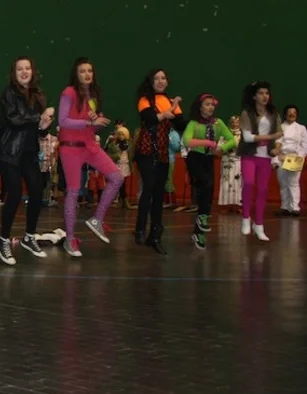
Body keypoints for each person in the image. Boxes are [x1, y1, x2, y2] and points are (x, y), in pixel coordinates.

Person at [56, 58, 124, 257]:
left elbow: (89, 126)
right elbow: (63, 121)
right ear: (76, 74)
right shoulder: (69, 92)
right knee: (73, 191)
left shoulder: (91, 96)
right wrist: (88, 122)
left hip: (89, 146)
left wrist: (97, 123)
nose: (87, 74)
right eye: (82, 71)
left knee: (117, 177)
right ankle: (70, 239)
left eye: (90, 71)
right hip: (70, 148)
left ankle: (97, 219)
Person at [0, 56, 55, 265]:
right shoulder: (8, 94)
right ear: (14, 73)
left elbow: (40, 130)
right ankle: (3, 240)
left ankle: (29, 236)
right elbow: (14, 119)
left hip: (28, 151)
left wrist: (45, 125)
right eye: (20, 69)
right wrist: (39, 118)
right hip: (9, 151)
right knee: (15, 193)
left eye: (27, 68)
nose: (24, 72)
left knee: (37, 191)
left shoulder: (38, 95)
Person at [133, 69, 186, 254]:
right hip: (146, 151)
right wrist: (166, 113)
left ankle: (155, 235)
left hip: (162, 153)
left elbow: (181, 124)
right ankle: (139, 229)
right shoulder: (144, 100)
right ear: (151, 81)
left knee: (158, 193)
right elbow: (149, 119)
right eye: (157, 78)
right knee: (148, 186)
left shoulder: (171, 102)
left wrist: (197, 117)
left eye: (163, 78)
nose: (161, 81)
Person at [182, 94, 236, 249]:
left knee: (208, 193)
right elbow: (187, 140)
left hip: (208, 159)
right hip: (194, 158)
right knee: (206, 183)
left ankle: (199, 231)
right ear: (200, 107)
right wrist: (209, 143)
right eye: (207, 104)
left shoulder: (218, 123)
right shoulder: (194, 123)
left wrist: (221, 148)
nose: (211, 107)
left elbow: (232, 140)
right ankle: (201, 219)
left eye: (212, 104)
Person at [238, 81, 280, 241]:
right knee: (248, 183)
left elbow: (279, 135)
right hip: (249, 154)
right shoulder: (247, 113)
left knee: (262, 190)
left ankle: (259, 224)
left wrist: (277, 148)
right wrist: (270, 137)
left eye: (267, 93)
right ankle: (246, 218)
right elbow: (248, 137)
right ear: (254, 96)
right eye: (261, 93)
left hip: (266, 156)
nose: (265, 96)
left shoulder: (273, 113)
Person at [275, 104, 305, 217]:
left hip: (295, 157)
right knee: (283, 184)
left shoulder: (301, 128)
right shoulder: (280, 127)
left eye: (294, 112)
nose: (292, 114)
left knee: (293, 183)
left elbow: (304, 145)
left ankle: (295, 208)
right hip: (282, 157)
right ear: (285, 114)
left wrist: (299, 157)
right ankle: (285, 207)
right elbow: (275, 144)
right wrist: (276, 160)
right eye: (290, 112)